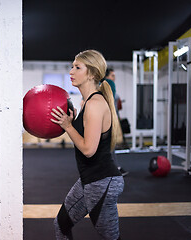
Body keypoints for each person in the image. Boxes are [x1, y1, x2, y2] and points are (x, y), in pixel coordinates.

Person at [50, 50, 124, 240]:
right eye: (72, 66)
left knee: (110, 237)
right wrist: (73, 122)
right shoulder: (87, 103)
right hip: (89, 180)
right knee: (61, 224)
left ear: (91, 73)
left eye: (77, 67)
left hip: (102, 182)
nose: (71, 71)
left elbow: (88, 150)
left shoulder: (95, 103)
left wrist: (68, 126)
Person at [102, 68, 129, 176]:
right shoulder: (109, 84)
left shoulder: (105, 87)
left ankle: (111, 168)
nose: (114, 78)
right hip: (108, 120)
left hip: (109, 118)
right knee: (109, 145)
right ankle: (113, 168)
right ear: (107, 76)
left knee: (108, 146)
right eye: (112, 75)